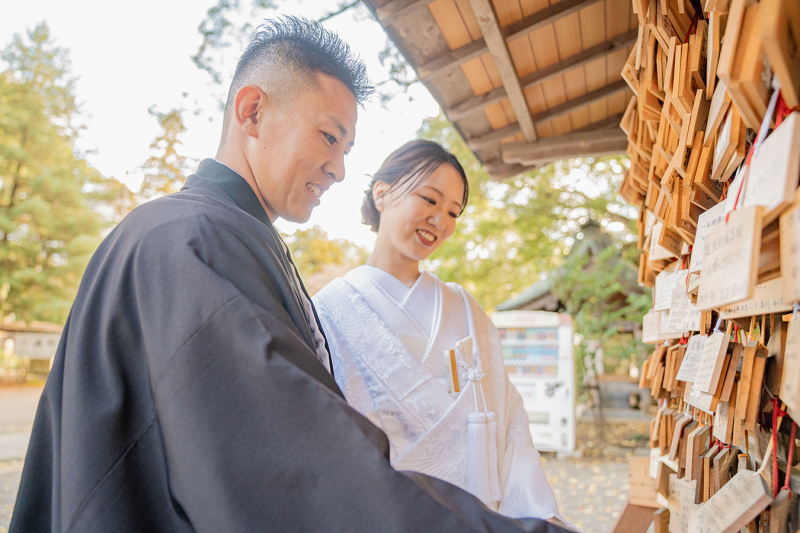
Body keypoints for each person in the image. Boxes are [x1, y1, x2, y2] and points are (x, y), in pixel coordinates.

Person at [9, 17, 568, 533]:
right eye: (329, 136)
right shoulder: (192, 242)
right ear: (252, 111)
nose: (340, 166)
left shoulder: (198, 233)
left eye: (348, 148)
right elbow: (300, 469)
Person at [313, 140, 572, 528]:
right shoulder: (328, 310)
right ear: (381, 194)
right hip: (386, 515)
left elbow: (509, 420)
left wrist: (536, 511)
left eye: (453, 212)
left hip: (481, 515)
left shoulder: (465, 309)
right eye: (430, 200)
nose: (441, 221)